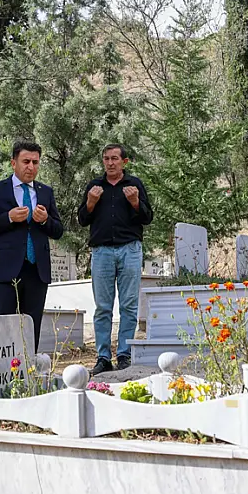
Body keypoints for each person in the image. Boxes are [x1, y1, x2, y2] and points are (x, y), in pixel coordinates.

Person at [0, 140, 64, 351]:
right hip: (5, 271)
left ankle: (27, 374)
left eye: (35, 162)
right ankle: (0, 377)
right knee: (1, 329)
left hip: (36, 271)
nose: (31, 167)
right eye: (26, 161)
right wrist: (7, 217)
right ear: (13, 163)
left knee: (30, 329)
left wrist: (44, 220)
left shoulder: (45, 192)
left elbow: (58, 230)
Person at [77, 143, 154, 375]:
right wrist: (90, 202)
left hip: (130, 250)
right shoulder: (94, 186)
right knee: (102, 307)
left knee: (129, 305)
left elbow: (147, 217)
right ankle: (103, 357)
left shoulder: (134, 185)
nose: (110, 163)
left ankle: (124, 354)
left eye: (114, 159)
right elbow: (82, 219)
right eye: (106, 159)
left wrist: (134, 202)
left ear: (124, 162)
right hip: (101, 252)